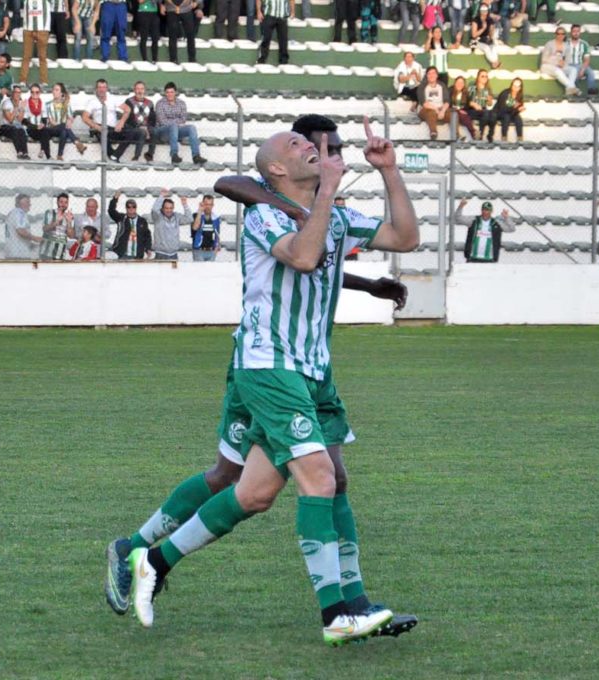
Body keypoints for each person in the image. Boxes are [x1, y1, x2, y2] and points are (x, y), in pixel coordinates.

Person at [108, 112, 415, 639]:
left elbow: (404, 238)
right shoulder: (263, 217)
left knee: (258, 491)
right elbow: (304, 256)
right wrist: (327, 196)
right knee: (301, 476)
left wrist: (388, 171)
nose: (322, 150)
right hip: (267, 365)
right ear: (277, 165)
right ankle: (338, 614)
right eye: (303, 144)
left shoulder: (331, 212)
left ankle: (153, 563)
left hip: (313, 370)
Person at [153, 82, 207, 165]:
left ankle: (196, 156)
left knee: (191, 127)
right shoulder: (160, 103)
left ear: (175, 92)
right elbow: (162, 121)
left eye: (171, 92)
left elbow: (183, 119)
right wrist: (175, 123)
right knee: (173, 126)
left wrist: (174, 123)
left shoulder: (181, 103)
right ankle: (174, 155)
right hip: (163, 132)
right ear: (165, 93)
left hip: (176, 131)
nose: (169, 94)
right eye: (167, 92)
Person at [80, 78, 129, 162]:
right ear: (96, 89)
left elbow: (127, 109)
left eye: (104, 87)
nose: (102, 90)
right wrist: (96, 126)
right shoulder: (92, 102)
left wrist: (121, 122)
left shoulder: (113, 99)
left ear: (106, 88)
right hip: (100, 128)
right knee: (101, 133)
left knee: (133, 133)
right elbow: (84, 117)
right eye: (99, 87)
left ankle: (115, 155)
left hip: (113, 129)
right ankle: (112, 157)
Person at [46, 83, 87, 159]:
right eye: (53, 90)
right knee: (64, 126)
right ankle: (77, 143)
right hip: (52, 129)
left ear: (61, 93)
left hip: (63, 129)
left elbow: (70, 117)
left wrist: (69, 121)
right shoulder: (48, 104)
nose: (54, 91)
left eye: (56, 90)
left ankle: (59, 155)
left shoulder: (66, 104)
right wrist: (63, 124)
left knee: (64, 132)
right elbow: (51, 121)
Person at [107, 191, 152, 258]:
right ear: (126, 208)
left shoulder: (142, 221)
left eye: (133, 207)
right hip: (123, 253)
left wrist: (148, 248)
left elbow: (147, 236)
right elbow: (111, 211)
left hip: (138, 254)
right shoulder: (121, 218)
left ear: (136, 208)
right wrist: (115, 199)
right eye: (129, 207)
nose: (131, 208)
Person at [150, 189, 192, 260]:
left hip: (174, 254)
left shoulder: (177, 216)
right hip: (161, 254)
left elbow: (189, 219)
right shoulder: (157, 217)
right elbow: (154, 209)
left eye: (171, 208)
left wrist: (185, 205)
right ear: (162, 208)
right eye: (166, 208)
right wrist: (161, 196)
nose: (169, 210)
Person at [118, 80, 154, 161]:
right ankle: (136, 156)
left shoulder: (150, 103)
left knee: (153, 131)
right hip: (133, 127)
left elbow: (152, 120)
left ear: (145, 90)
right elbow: (128, 118)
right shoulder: (129, 101)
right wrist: (141, 126)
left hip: (146, 127)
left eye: (142, 89)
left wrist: (146, 127)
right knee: (142, 132)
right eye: (138, 89)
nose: (140, 91)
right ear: (134, 90)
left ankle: (150, 154)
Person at [541, 25, 578, 96]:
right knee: (558, 71)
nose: (560, 35)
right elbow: (544, 59)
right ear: (555, 34)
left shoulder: (566, 45)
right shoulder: (549, 44)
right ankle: (572, 88)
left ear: (565, 35)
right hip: (547, 66)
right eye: (558, 34)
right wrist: (556, 62)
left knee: (573, 70)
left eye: (562, 34)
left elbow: (568, 59)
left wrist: (564, 63)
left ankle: (569, 89)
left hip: (560, 66)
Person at [21, 0, 52, 86]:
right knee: (26, 56)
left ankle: (44, 81)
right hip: (28, 29)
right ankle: (23, 80)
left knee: (42, 56)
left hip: (42, 29)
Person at [563, 24, 597, 96]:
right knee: (575, 70)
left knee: (591, 72)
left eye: (578, 31)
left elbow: (587, 60)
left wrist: (582, 69)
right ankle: (574, 91)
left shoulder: (584, 44)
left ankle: (592, 92)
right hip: (569, 65)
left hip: (580, 64)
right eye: (574, 31)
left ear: (580, 32)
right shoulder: (566, 43)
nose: (576, 33)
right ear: (571, 32)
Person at [5, 193, 42, 258]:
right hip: (19, 254)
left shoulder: (12, 213)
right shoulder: (20, 213)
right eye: (27, 202)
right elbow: (20, 231)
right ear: (20, 204)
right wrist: (35, 238)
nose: (30, 204)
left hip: (11, 252)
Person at [417, 66, 449, 140]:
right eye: (429, 74)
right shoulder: (422, 87)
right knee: (431, 112)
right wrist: (437, 110)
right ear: (426, 76)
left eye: (433, 73)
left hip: (440, 108)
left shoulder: (442, 85)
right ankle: (433, 133)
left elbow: (447, 101)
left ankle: (457, 135)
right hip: (426, 109)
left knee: (453, 114)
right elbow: (424, 103)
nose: (431, 75)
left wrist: (443, 111)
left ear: (437, 75)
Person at [0, 85, 32, 158]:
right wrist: (17, 108)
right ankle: (19, 152)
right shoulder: (6, 103)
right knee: (14, 129)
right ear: (12, 93)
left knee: (21, 130)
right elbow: (10, 120)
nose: (18, 94)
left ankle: (25, 153)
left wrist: (22, 109)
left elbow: (19, 120)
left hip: (16, 127)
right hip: (4, 127)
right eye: (16, 92)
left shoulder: (21, 103)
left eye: (19, 93)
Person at [257, 0, 292, 65]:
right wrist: (259, 11)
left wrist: (293, 11)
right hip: (269, 14)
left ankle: (284, 60)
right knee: (266, 38)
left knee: (283, 40)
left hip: (282, 16)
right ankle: (262, 59)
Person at [190, 194, 222, 261]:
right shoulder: (196, 215)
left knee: (210, 271)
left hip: (211, 251)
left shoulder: (216, 218)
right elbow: (195, 227)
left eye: (210, 204)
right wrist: (200, 211)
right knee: (199, 271)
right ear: (202, 204)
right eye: (206, 204)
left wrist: (216, 246)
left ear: (213, 205)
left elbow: (217, 234)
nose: (208, 206)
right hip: (199, 250)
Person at [467, 68, 495, 141]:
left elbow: (489, 104)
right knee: (485, 113)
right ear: (478, 77)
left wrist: (490, 100)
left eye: (486, 76)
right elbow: (468, 100)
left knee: (493, 114)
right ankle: (480, 136)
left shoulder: (487, 88)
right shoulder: (472, 85)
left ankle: (490, 135)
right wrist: (474, 105)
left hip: (482, 110)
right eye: (482, 76)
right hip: (472, 110)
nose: (485, 78)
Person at [469, 4, 500, 69]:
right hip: (475, 40)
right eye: (482, 11)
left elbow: (490, 35)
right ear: (480, 11)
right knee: (486, 48)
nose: (484, 12)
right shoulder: (475, 20)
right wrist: (483, 28)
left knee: (494, 47)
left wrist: (491, 31)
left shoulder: (489, 20)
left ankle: (494, 62)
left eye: (485, 11)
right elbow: (473, 35)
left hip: (486, 39)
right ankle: (495, 62)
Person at [495, 76, 524, 142]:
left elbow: (517, 109)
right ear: (511, 85)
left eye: (518, 86)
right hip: (500, 113)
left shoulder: (519, 95)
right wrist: (514, 108)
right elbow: (503, 109)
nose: (515, 88)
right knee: (506, 117)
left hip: (511, 113)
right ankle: (504, 137)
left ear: (520, 88)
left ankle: (520, 137)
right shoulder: (505, 93)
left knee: (518, 118)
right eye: (514, 85)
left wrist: (518, 109)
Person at [448, 75, 477, 140]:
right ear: (455, 83)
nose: (459, 84)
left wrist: (473, 104)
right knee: (457, 113)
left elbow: (467, 107)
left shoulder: (465, 93)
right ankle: (472, 132)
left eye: (461, 83)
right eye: (458, 82)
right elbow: (448, 104)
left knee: (465, 115)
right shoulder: (450, 91)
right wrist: (458, 110)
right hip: (451, 112)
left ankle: (475, 134)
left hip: (461, 115)